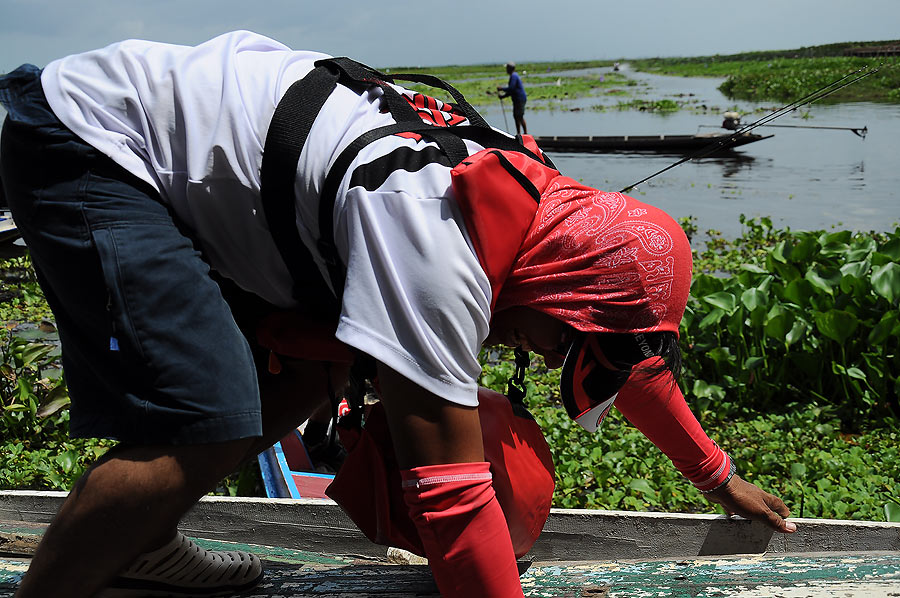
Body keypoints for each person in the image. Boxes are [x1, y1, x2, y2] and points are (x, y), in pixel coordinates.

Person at [0, 31, 796, 598]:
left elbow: (634, 349)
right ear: (563, 292)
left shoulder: (546, 219)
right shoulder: (434, 242)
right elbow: (449, 490)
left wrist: (718, 476)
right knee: (206, 416)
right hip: (94, 138)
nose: (554, 360)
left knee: (314, 367)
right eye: (566, 344)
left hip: (203, 165)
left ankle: (139, 541)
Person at [497, 61, 528, 135]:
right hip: (517, 99)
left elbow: (511, 88)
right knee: (516, 116)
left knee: (519, 116)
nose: (506, 70)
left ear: (510, 68)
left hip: (520, 99)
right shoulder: (513, 76)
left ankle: (525, 134)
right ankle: (519, 134)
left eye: (507, 68)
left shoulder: (514, 76)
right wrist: (503, 96)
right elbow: (511, 91)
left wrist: (502, 89)